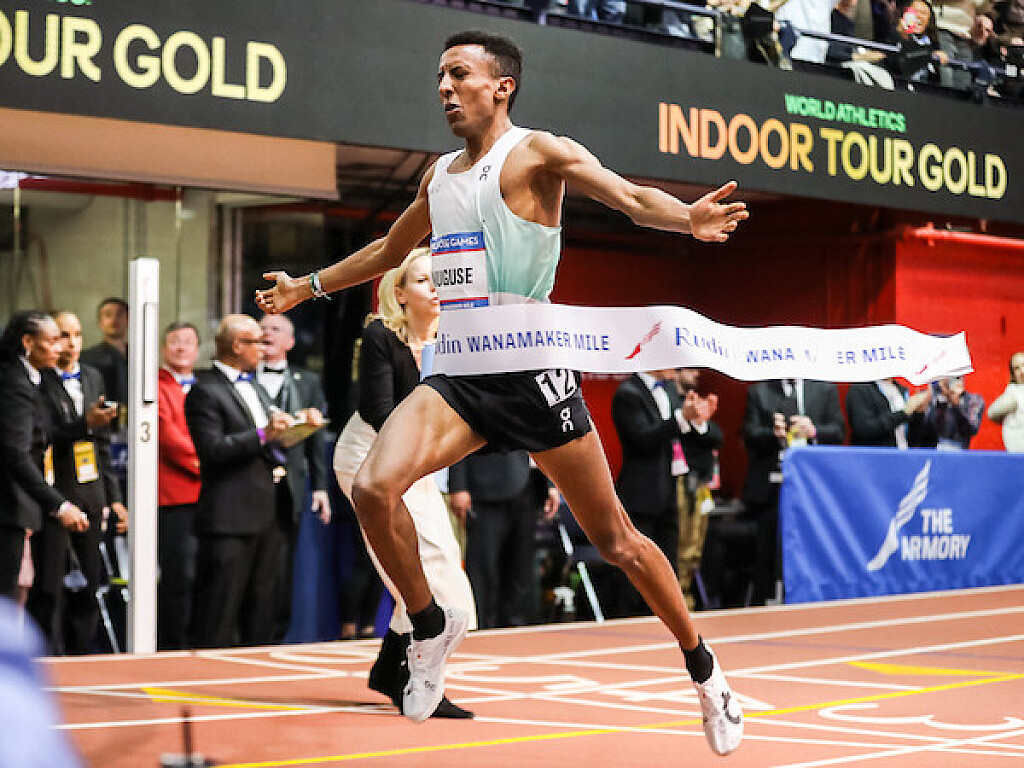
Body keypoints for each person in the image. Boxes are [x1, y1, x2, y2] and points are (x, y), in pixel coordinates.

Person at [257, 30, 748, 753]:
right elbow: (390, 251)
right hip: (461, 374)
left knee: (617, 541)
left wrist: (686, 218)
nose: (444, 88)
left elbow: (628, 197)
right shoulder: (439, 176)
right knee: (372, 487)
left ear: (502, 86)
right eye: (439, 76)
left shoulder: (538, 152)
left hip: (532, 372)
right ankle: (427, 627)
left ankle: (706, 672)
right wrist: (308, 286)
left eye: (459, 74)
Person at [332, 248, 476, 719]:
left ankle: (391, 670)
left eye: (441, 279)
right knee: (417, 573)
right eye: (421, 280)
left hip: (416, 462)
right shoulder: (380, 334)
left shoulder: (457, 340)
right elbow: (378, 410)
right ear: (399, 292)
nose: (435, 287)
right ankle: (416, 680)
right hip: (369, 458)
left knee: (442, 573)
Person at [184, 315, 294, 648]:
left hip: (268, 511)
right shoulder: (205, 391)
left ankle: (257, 668)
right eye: (257, 341)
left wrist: (296, 426)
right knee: (219, 610)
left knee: (262, 607)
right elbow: (212, 449)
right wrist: (263, 434)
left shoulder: (254, 386)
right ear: (236, 345)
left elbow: (268, 436)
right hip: (228, 517)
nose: (264, 348)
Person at [29, 311, 124, 654]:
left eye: (77, 334)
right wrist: (85, 423)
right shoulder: (38, 379)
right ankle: (49, 656)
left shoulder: (94, 376)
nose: (71, 343)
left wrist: (114, 497)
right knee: (51, 584)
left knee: (90, 580)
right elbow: (42, 434)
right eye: (63, 336)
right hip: (55, 493)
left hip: (92, 491)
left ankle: (82, 653)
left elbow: (102, 443)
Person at [0, 311, 89, 605]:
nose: (60, 348)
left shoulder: (35, 379)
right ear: (28, 342)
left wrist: (86, 424)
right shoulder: (14, 383)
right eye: (52, 341)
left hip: (24, 503)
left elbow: (47, 434)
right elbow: (16, 453)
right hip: (9, 504)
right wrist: (59, 504)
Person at [257, 314, 331, 642]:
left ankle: (277, 633)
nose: (266, 333)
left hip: (293, 485)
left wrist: (321, 488)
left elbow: (317, 440)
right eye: (262, 328)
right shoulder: (243, 378)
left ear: (290, 341)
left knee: (283, 561)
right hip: (252, 483)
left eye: (275, 329)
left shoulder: (308, 381)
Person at [742, 378, 845, 605]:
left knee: (814, 550)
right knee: (766, 555)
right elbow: (748, 433)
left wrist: (813, 430)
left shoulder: (824, 389)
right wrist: (773, 433)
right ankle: (761, 608)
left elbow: (839, 431)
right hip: (769, 489)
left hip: (814, 490)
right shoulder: (759, 392)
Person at [450, 448, 558, 628]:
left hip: (532, 485)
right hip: (486, 486)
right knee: (483, 569)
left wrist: (551, 483)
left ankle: (514, 629)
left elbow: (546, 436)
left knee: (521, 569)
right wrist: (458, 485)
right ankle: (480, 627)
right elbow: (459, 435)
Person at [611, 370, 686, 616]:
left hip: (668, 490)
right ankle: (630, 621)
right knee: (637, 567)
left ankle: (666, 619)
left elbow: (683, 434)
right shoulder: (628, 393)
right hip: (640, 494)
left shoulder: (670, 390)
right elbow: (641, 438)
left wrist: (696, 420)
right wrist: (680, 419)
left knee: (667, 564)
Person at [156, 321, 202, 650]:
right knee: (178, 576)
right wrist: (208, 461)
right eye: (175, 342)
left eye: (188, 342)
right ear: (163, 348)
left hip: (210, 496)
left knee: (203, 574)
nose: (182, 348)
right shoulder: (154, 386)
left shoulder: (205, 385)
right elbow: (167, 437)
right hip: (173, 496)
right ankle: (172, 645)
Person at [674, 369, 723, 610]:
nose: (696, 374)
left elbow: (717, 437)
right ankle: (679, 598)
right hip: (679, 485)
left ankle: (686, 596)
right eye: (690, 369)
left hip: (701, 486)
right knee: (682, 544)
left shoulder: (697, 402)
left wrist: (701, 421)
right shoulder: (671, 401)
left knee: (695, 547)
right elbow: (678, 436)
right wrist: (690, 419)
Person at [846, 378, 932, 447]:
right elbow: (865, 428)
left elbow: (913, 435)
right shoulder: (860, 388)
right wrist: (903, 413)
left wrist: (918, 413)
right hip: (876, 456)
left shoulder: (901, 388)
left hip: (903, 453)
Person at [921, 375, 985, 449]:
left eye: (957, 377)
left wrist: (955, 405)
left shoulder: (973, 399)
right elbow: (927, 429)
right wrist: (941, 400)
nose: (953, 381)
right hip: (934, 446)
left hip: (958, 446)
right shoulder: (935, 398)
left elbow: (971, 429)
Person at [987, 351, 1024, 452]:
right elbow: (991, 413)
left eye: (1023, 365)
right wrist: (1014, 400)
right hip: (1019, 451)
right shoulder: (1012, 392)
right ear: (1013, 374)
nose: (1022, 371)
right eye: (1017, 368)